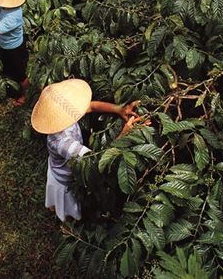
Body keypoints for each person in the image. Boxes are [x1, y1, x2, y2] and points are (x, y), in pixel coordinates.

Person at [31, 78, 150, 222]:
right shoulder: (62, 143)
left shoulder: (64, 115)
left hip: (59, 168)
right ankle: (67, 221)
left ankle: (56, 208)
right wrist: (124, 134)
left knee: (57, 200)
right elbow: (95, 159)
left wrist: (119, 109)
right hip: (65, 178)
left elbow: (92, 106)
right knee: (65, 205)